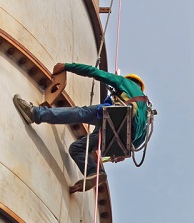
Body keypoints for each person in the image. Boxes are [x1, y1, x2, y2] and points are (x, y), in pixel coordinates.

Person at [13, 62, 148, 192]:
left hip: (116, 115)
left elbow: (94, 72)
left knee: (79, 113)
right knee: (77, 149)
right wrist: (122, 153)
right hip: (122, 137)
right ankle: (94, 172)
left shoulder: (124, 83)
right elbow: (139, 141)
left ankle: (36, 114)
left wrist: (67, 66)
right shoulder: (146, 111)